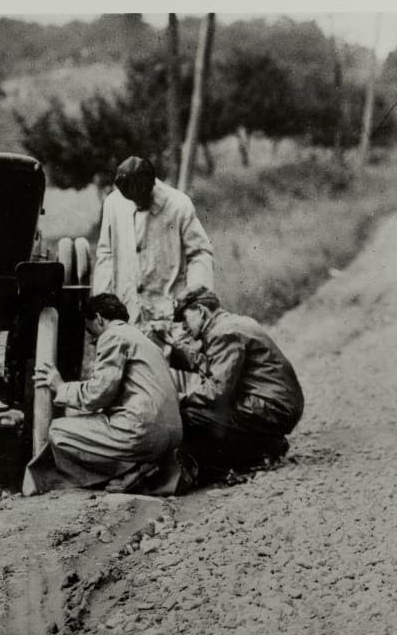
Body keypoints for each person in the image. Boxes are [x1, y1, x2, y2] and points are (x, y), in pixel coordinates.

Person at [22, 293, 186, 496]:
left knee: (59, 431)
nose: (94, 340)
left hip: (142, 433)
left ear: (99, 318)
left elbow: (98, 394)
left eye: (93, 334)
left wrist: (60, 386)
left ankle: (130, 469)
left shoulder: (113, 335)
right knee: (94, 423)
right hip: (172, 435)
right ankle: (141, 466)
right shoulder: (144, 340)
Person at [168, 286, 304, 480]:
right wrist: (171, 347)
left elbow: (216, 390)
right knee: (206, 413)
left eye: (184, 318)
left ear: (200, 310)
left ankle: (255, 456)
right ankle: (267, 444)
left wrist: (180, 399)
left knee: (190, 416)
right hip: (276, 404)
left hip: (271, 408)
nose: (182, 327)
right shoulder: (231, 323)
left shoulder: (222, 333)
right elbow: (211, 366)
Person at [91, 156, 215, 339]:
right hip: (129, 312)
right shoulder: (113, 204)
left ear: (151, 186)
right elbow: (106, 255)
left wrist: (195, 299)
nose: (137, 201)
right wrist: (102, 305)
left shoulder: (178, 205)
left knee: (171, 363)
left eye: (141, 196)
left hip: (170, 313)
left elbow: (199, 254)